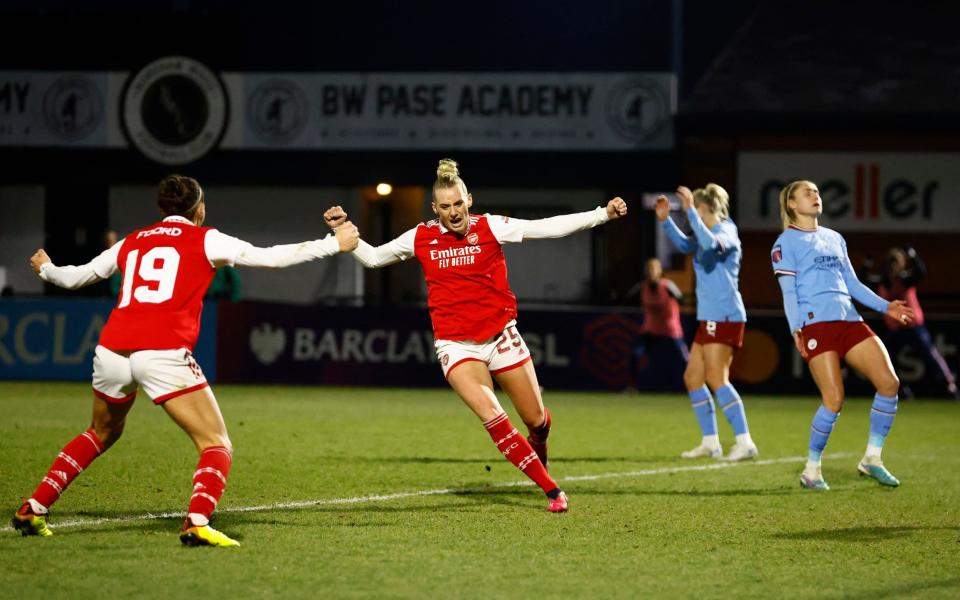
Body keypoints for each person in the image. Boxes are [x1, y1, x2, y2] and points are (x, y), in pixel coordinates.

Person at [12, 174, 359, 545]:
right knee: (216, 443)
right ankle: (196, 520)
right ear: (200, 208)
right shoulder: (206, 238)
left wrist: (46, 268)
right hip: (161, 352)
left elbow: (75, 278)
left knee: (100, 432)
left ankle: (33, 507)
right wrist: (332, 244)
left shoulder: (133, 241)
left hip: (112, 349)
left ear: (162, 209)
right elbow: (270, 258)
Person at [324, 158, 628, 513]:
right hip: (456, 346)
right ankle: (552, 491)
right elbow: (375, 258)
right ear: (435, 208)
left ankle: (539, 446)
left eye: (458, 204)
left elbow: (546, 227)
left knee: (536, 420)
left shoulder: (491, 227)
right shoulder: (421, 236)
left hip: (501, 338)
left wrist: (601, 214)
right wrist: (346, 231)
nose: (454, 212)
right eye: (446, 207)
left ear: (469, 200)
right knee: (492, 415)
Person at [772, 180, 913, 491]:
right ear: (792, 205)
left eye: (817, 192)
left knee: (889, 383)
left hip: (849, 320)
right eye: (807, 193)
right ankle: (811, 470)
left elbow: (853, 284)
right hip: (816, 324)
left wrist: (885, 306)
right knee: (834, 400)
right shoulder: (785, 243)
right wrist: (796, 327)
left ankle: (872, 459)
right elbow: (789, 293)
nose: (815, 196)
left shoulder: (834, 238)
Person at [654, 184, 758, 461]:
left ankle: (744, 441)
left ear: (704, 208)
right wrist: (666, 222)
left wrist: (690, 214)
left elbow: (711, 244)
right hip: (709, 317)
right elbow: (687, 244)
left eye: (694, 209)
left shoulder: (726, 231)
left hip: (724, 315)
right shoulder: (705, 231)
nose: (691, 216)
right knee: (693, 378)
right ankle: (711, 443)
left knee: (716, 378)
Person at [877, 246, 958, 400]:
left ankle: (948, 384)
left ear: (901, 265)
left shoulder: (906, 278)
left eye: (896, 263)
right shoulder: (884, 281)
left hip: (914, 327)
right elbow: (865, 278)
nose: (894, 266)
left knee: (930, 355)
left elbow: (921, 271)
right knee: (885, 358)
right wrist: (867, 264)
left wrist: (913, 256)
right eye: (891, 263)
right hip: (895, 330)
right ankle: (897, 389)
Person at [625, 257, 689, 389]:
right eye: (648, 269)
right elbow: (627, 299)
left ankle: (696, 388)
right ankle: (631, 387)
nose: (651, 272)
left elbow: (681, 299)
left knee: (685, 359)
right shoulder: (642, 287)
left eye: (653, 269)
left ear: (660, 271)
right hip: (651, 329)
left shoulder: (667, 285)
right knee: (635, 355)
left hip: (671, 329)